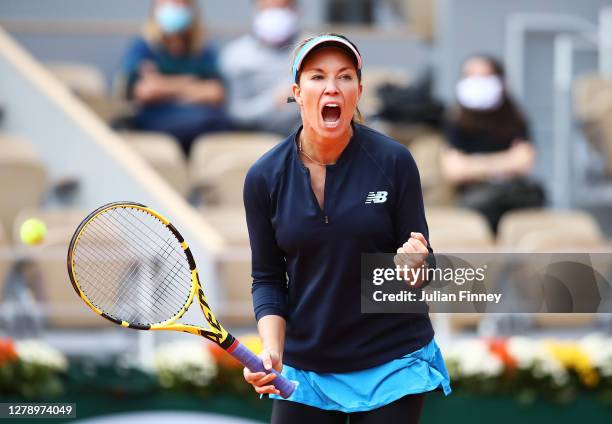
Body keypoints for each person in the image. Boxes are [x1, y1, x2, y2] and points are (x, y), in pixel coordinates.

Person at [242, 34, 451, 423]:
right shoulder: (264, 177)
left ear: (358, 90)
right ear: (297, 92)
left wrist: (415, 265)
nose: (331, 88)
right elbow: (268, 279)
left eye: (344, 77)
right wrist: (272, 351)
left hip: (392, 361)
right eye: (317, 77)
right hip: (307, 368)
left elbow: (424, 266)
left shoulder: (394, 161)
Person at [440, 55, 544, 232]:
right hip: (473, 196)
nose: (478, 83)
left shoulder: (515, 117)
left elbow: (524, 162)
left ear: (500, 81)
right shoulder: (454, 120)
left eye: (484, 77)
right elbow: (455, 170)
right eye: (471, 77)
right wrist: (505, 162)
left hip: (514, 193)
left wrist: (473, 164)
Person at [121, 0, 230, 155]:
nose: (174, 10)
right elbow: (146, 92)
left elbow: (215, 93)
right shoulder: (144, 47)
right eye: (168, 5)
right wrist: (190, 83)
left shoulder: (203, 50)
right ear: (155, 10)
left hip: (204, 126)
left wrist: (164, 85)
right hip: (156, 121)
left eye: (180, 6)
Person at [219, 0, 301, 135]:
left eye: (281, 8)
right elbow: (235, 113)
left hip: (304, 137)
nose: (275, 15)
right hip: (255, 138)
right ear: (255, 10)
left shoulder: (313, 49)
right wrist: (274, 101)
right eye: (268, 9)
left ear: (296, 10)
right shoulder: (235, 55)